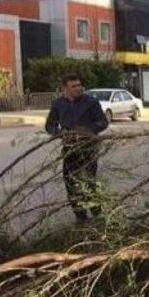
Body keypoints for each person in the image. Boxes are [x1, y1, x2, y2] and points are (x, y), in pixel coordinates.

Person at [45, 74, 109, 222]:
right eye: (73, 86)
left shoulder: (91, 102)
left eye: (79, 85)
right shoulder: (58, 104)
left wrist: (86, 131)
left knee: (88, 181)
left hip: (88, 149)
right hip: (69, 149)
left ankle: (97, 214)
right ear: (65, 88)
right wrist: (59, 133)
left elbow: (102, 123)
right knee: (71, 182)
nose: (78, 88)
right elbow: (50, 125)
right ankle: (81, 216)